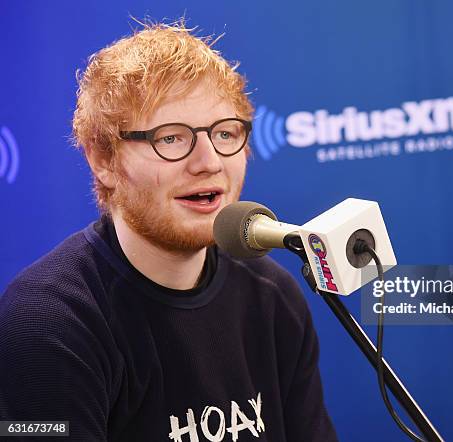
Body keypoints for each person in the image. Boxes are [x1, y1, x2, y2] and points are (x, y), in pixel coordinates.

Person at [0, 22, 338, 442]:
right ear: (103, 158)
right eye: (172, 138)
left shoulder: (272, 295)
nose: (209, 161)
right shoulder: (47, 322)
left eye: (224, 133)